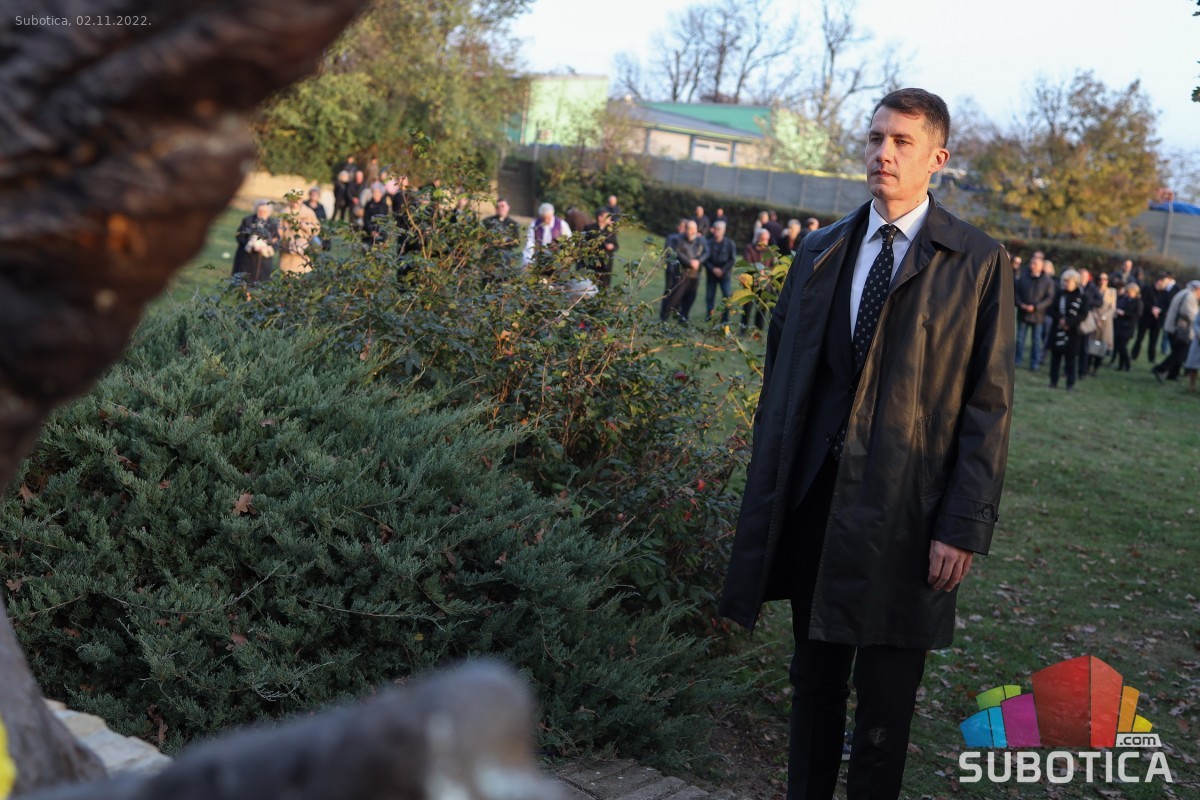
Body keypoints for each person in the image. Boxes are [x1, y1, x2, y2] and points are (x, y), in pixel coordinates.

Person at [719, 89, 1014, 800]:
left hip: (909, 512)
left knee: (885, 703)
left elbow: (989, 406)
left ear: (937, 158)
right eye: (876, 137)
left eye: (902, 141)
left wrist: (962, 525)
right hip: (817, 502)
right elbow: (783, 381)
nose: (883, 152)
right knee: (813, 681)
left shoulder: (977, 261)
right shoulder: (820, 250)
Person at [1153, 280, 1200, 383]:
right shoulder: (1190, 296)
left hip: (1172, 327)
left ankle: (1173, 375)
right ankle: (1160, 369)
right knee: (1180, 352)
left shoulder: (1183, 292)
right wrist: (1197, 319)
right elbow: (1187, 312)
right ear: (1197, 289)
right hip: (1178, 329)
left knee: (1178, 351)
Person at [1048, 269, 1087, 390]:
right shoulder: (1060, 294)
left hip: (1073, 332)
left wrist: (1069, 322)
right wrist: (1060, 320)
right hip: (1058, 330)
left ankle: (1070, 383)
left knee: (1071, 360)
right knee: (1055, 359)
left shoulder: (1082, 296)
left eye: (1068, 281)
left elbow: (1083, 314)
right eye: (1064, 281)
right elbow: (1052, 309)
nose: (1066, 284)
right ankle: (1053, 381)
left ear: (1075, 282)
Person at [1014, 252, 1053, 370]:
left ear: (1041, 266)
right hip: (1023, 313)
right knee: (1020, 339)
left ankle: (1034, 363)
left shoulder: (1047, 280)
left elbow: (1049, 298)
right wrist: (1020, 304)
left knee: (1036, 341)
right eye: (1031, 263)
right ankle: (1017, 361)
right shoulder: (1023, 276)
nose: (1032, 266)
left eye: (1035, 264)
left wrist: (1036, 307)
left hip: (1038, 316)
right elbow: (1016, 292)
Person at [665, 220, 708, 322]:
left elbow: (707, 252)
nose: (692, 231)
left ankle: (684, 318)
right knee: (675, 297)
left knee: (690, 297)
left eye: (694, 229)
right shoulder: (679, 239)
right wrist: (690, 262)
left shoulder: (701, 240)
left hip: (695, 275)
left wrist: (698, 261)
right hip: (682, 273)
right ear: (686, 230)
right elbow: (677, 252)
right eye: (690, 229)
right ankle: (664, 318)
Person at [232, 201, 280, 283]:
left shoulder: (272, 224)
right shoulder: (248, 221)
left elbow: (276, 240)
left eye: (264, 211)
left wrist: (268, 248)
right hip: (246, 258)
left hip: (264, 261)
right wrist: (250, 244)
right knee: (245, 281)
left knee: (262, 282)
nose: (262, 213)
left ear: (269, 212)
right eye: (260, 211)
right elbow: (240, 236)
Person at [704, 220, 737, 324]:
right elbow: (704, 259)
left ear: (724, 230)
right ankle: (710, 317)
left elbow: (732, 259)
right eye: (716, 229)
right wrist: (713, 269)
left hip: (725, 275)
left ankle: (725, 319)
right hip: (711, 273)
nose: (717, 231)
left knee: (726, 296)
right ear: (713, 230)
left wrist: (723, 270)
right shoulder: (708, 243)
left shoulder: (730, 243)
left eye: (720, 229)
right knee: (710, 297)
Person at [741, 229, 774, 332]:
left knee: (762, 308)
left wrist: (766, 273)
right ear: (758, 239)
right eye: (763, 239)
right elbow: (747, 263)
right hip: (750, 282)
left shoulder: (770, 251)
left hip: (764, 283)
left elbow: (773, 266)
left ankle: (758, 331)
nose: (765, 241)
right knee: (747, 307)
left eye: (767, 239)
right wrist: (758, 271)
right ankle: (743, 330)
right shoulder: (749, 248)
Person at [278, 194, 321, 274]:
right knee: (287, 274)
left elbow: (317, 229)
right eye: (293, 199)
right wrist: (282, 242)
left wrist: (306, 227)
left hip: (304, 249)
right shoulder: (284, 212)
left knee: (303, 274)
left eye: (298, 199)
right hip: (288, 252)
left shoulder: (308, 212)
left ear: (301, 200)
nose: (295, 202)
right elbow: (279, 230)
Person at [523, 202, 571, 270]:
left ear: (552, 214)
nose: (545, 220)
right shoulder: (535, 224)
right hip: (539, 259)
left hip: (556, 260)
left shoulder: (561, 224)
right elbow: (530, 241)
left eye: (548, 218)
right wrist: (529, 259)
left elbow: (569, 239)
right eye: (543, 218)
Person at [1086, 272, 1117, 375]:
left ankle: (1096, 368)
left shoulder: (1112, 292)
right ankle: (1087, 367)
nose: (1103, 281)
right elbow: (1092, 306)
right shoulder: (1094, 290)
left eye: (1105, 279)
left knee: (1102, 345)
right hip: (1094, 320)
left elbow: (1112, 308)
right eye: (1101, 279)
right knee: (1092, 344)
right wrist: (1096, 318)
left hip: (1106, 322)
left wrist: (1103, 318)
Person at [1131, 273, 1165, 363]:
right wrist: (1151, 308)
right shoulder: (1147, 288)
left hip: (1156, 320)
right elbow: (1143, 301)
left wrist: (1159, 310)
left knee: (1153, 340)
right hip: (1145, 318)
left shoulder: (1164, 292)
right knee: (1140, 338)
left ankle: (1151, 358)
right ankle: (1134, 355)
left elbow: (1165, 304)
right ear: (1159, 281)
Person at [581, 209, 619, 288]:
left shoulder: (610, 230)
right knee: (589, 285)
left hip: (606, 264)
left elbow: (616, 245)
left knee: (604, 286)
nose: (610, 219)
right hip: (592, 263)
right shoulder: (589, 228)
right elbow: (582, 244)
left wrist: (612, 246)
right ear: (600, 218)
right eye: (607, 217)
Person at [660, 218, 688, 322]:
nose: (683, 229)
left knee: (679, 292)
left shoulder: (686, 239)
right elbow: (667, 252)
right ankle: (664, 315)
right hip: (671, 269)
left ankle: (676, 312)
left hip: (681, 270)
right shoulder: (672, 238)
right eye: (682, 226)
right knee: (668, 291)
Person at [1112, 283, 1143, 371]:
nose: (1129, 294)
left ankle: (1128, 364)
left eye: (1130, 292)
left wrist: (1124, 313)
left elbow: (1138, 314)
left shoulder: (1138, 302)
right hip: (1120, 325)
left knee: (1123, 346)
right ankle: (1121, 365)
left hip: (1128, 327)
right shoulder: (1125, 299)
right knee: (1119, 346)